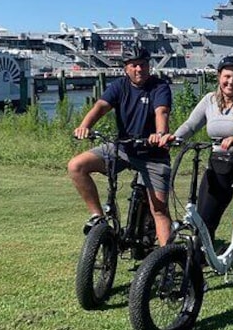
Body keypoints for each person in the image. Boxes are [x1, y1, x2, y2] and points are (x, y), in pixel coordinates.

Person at [68, 44, 174, 245]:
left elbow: (162, 111)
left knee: (159, 210)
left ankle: (166, 263)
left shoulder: (159, 87)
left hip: (153, 155)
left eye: (142, 64)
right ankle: (98, 217)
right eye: (133, 65)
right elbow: (101, 107)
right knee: (76, 166)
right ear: (126, 68)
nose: (139, 69)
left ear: (148, 66)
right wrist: (84, 126)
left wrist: (160, 134)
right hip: (123, 149)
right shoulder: (119, 86)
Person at [169, 55, 233, 254]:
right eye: (227, 77)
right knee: (205, 219)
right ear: (219, 76)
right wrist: (174, 138)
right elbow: (191, 124)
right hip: (220, 160)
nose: (231, 82)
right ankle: (199, 260)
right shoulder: (209, 100)